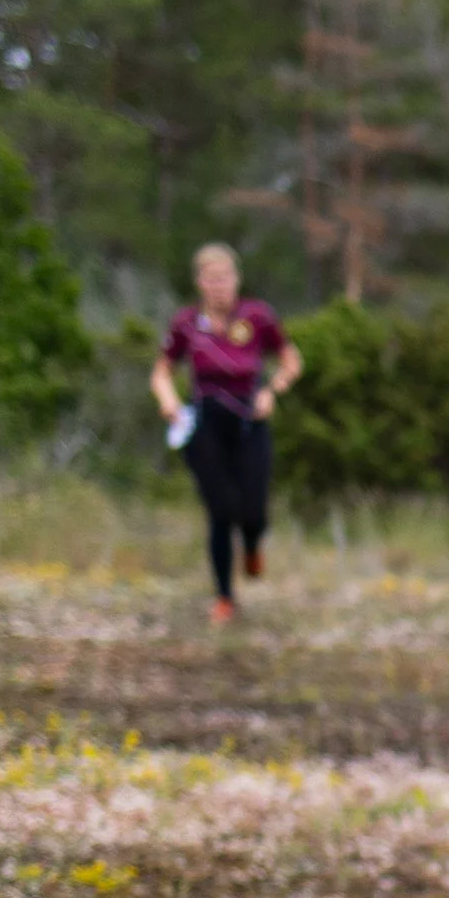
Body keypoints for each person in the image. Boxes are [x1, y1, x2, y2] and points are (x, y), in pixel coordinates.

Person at [149, 244, 301, 625]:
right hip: (206, 423)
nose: (220, 286)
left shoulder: (258, 316)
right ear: (200, 282)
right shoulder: (186, 323)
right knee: (220, 510)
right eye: (212, 279)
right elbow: (161, 372)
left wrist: (272, 391)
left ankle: (252, 544)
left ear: (237, 279)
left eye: (226, 278)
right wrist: (168, 401)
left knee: (253, 509)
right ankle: (224, 597)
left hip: (250, 418)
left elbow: (290, 360)